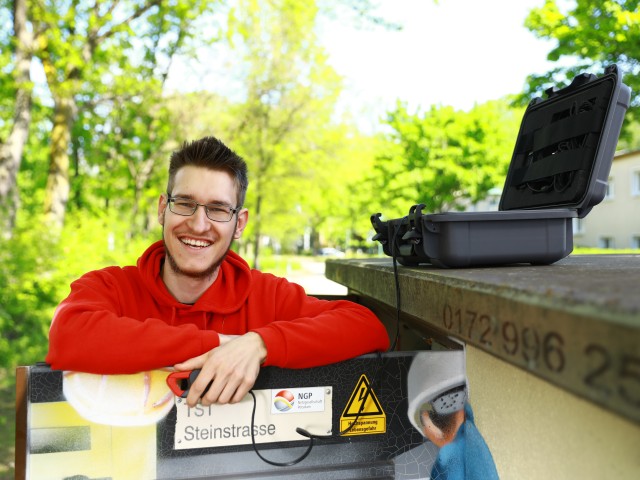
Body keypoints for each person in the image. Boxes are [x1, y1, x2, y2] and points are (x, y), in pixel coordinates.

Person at [46, 136, 389, 408]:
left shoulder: (266, 295)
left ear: (239, 224)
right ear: (163, 209)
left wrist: (259, 344)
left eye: (218, 209)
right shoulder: (111, 286)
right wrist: (221, 344)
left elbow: (366, 326)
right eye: (185, 203)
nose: (198, 224)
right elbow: (67, 333)